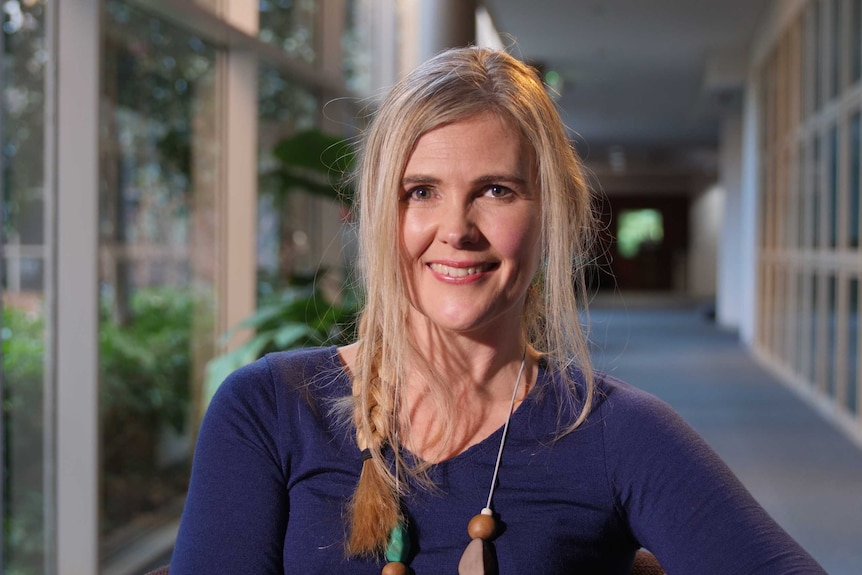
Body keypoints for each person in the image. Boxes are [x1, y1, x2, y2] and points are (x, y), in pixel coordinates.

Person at [170, 47, 825, 574]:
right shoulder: (269, 409)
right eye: (420, 191)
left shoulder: (615, 432)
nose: (456, 228)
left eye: (496, 190)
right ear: (379, 216)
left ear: (550, 218)